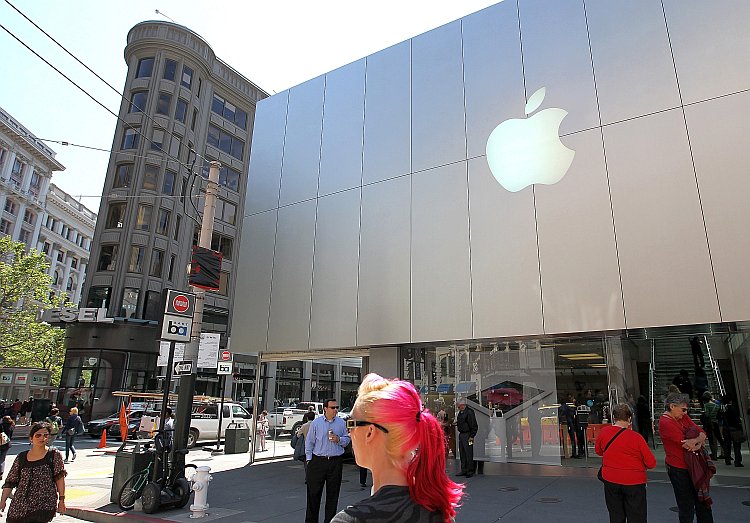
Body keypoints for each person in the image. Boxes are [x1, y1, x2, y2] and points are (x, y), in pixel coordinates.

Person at [331, 373, 464, 523]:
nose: (349, 432)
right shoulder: (440, 514)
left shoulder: (350, 520)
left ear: (370, 432)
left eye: (350, 423)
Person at [595, 403, 656, 523]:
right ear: (629, 418)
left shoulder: (604, 432)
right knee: (637, 516)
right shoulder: (637, 438)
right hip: (634, 481)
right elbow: (651, 463)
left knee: (616, 514)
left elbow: (599, 451)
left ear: (614, 417)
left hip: (611, 479)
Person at [659, 392, 713, 523]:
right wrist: (699, 440)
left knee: (702, 503)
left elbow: (701, 432)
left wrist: (698, 440)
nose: (685, 413)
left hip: (692, 465)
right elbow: (686, 444)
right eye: (683, 409)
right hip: (679, 468)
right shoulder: (665, 422)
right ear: (672, 406)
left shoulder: (681, 417)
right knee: (686, 506)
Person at [0, 422, 67, 523]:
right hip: (20, 502)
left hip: (44, 504)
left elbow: (60, 479)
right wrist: (3, 500)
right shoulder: (21, 457)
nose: (42, 438)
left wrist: (61, 500)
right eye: (38, 435)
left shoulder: (54, 455)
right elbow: (10, 480)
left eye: (45, 435)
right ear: (31, 438)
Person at [304, 399, 350, 523]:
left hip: (335, 462)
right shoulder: (316, 423)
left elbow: (347, 440)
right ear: (325, 409)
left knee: (333, 496)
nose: (336, 410)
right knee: (313, 495)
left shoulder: (341, 423)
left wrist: (339, 439)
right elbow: (309, 442)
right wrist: (309, 460)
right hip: (318, 461)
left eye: (337, 407)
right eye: (333, 407)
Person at [720, 395, 744, 467]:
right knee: (736, 445)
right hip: (734, 428)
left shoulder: (723, 409)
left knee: (727, 444)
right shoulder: (733, 408)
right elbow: (736, 419)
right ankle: (737, 461)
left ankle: (727, 460)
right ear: (730, 401)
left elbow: (719, 417)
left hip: (725, 428)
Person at [455, 398, 477, 477]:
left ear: (462, 405)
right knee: (462, 452)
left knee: (468, 452)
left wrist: (472, 436)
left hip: (468, 434)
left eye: (458, 406)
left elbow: (473, 425)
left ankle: (470, 470)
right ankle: (464, 469)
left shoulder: (469, 412)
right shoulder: (461, 412)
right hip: (462, 434)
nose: (458, 408)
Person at [701, 393, 723, 461]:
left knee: (711, 440)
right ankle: (726, 452)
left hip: (709, 424)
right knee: (719, 438)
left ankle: (714, 455)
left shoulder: (706, 405)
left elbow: (707, 414)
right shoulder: (716, 406)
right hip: (716, 423)